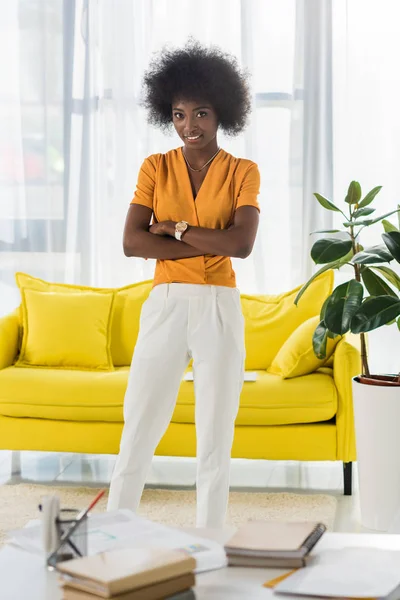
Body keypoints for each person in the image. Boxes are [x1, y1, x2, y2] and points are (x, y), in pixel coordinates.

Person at [107, 40, 260, 528]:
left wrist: (171, 229)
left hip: (219, 307)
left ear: (222, 115)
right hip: (167, 303)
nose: (189, 126)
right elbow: (132, 243)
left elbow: (241, 246)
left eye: (200, 113)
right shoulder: (156, 166)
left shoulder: (243, 172)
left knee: (215, 433)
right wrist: (210, 241)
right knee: (140, 424)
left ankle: (210, 539)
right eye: (178, 114)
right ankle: (115, 528)